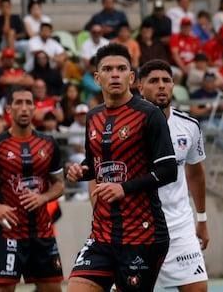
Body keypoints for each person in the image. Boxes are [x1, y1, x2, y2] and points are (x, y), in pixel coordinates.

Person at [65, 43, 177, 291]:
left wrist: (124, 188)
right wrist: (80, 171)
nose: (114, 74)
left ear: (131, 76)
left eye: (121, 68)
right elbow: (95, 164)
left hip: (143, 235)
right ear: (97, 77)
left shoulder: (149, 115)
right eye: (107, 69)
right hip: (102, 235)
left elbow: (169, 170)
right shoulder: (92, 116)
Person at [0, 87, 66, 291]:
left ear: (34, 107)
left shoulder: (48, 144)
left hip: (42, 232)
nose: (24, 108)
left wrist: (43, 197)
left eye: (28, 103)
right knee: (4, 289)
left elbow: (59, 184)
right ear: (9, 109)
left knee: (53, 289)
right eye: (18, 103)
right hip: (9, 232)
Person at [137, 60, 211, 292]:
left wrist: (202, 219)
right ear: (140, 87)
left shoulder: (189, 126)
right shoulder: (127, 127)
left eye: (166, 81)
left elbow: (196, 174)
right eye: (154, 81)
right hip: (136, 225)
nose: (161, 86)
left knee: (198, 289)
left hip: (179, 225)